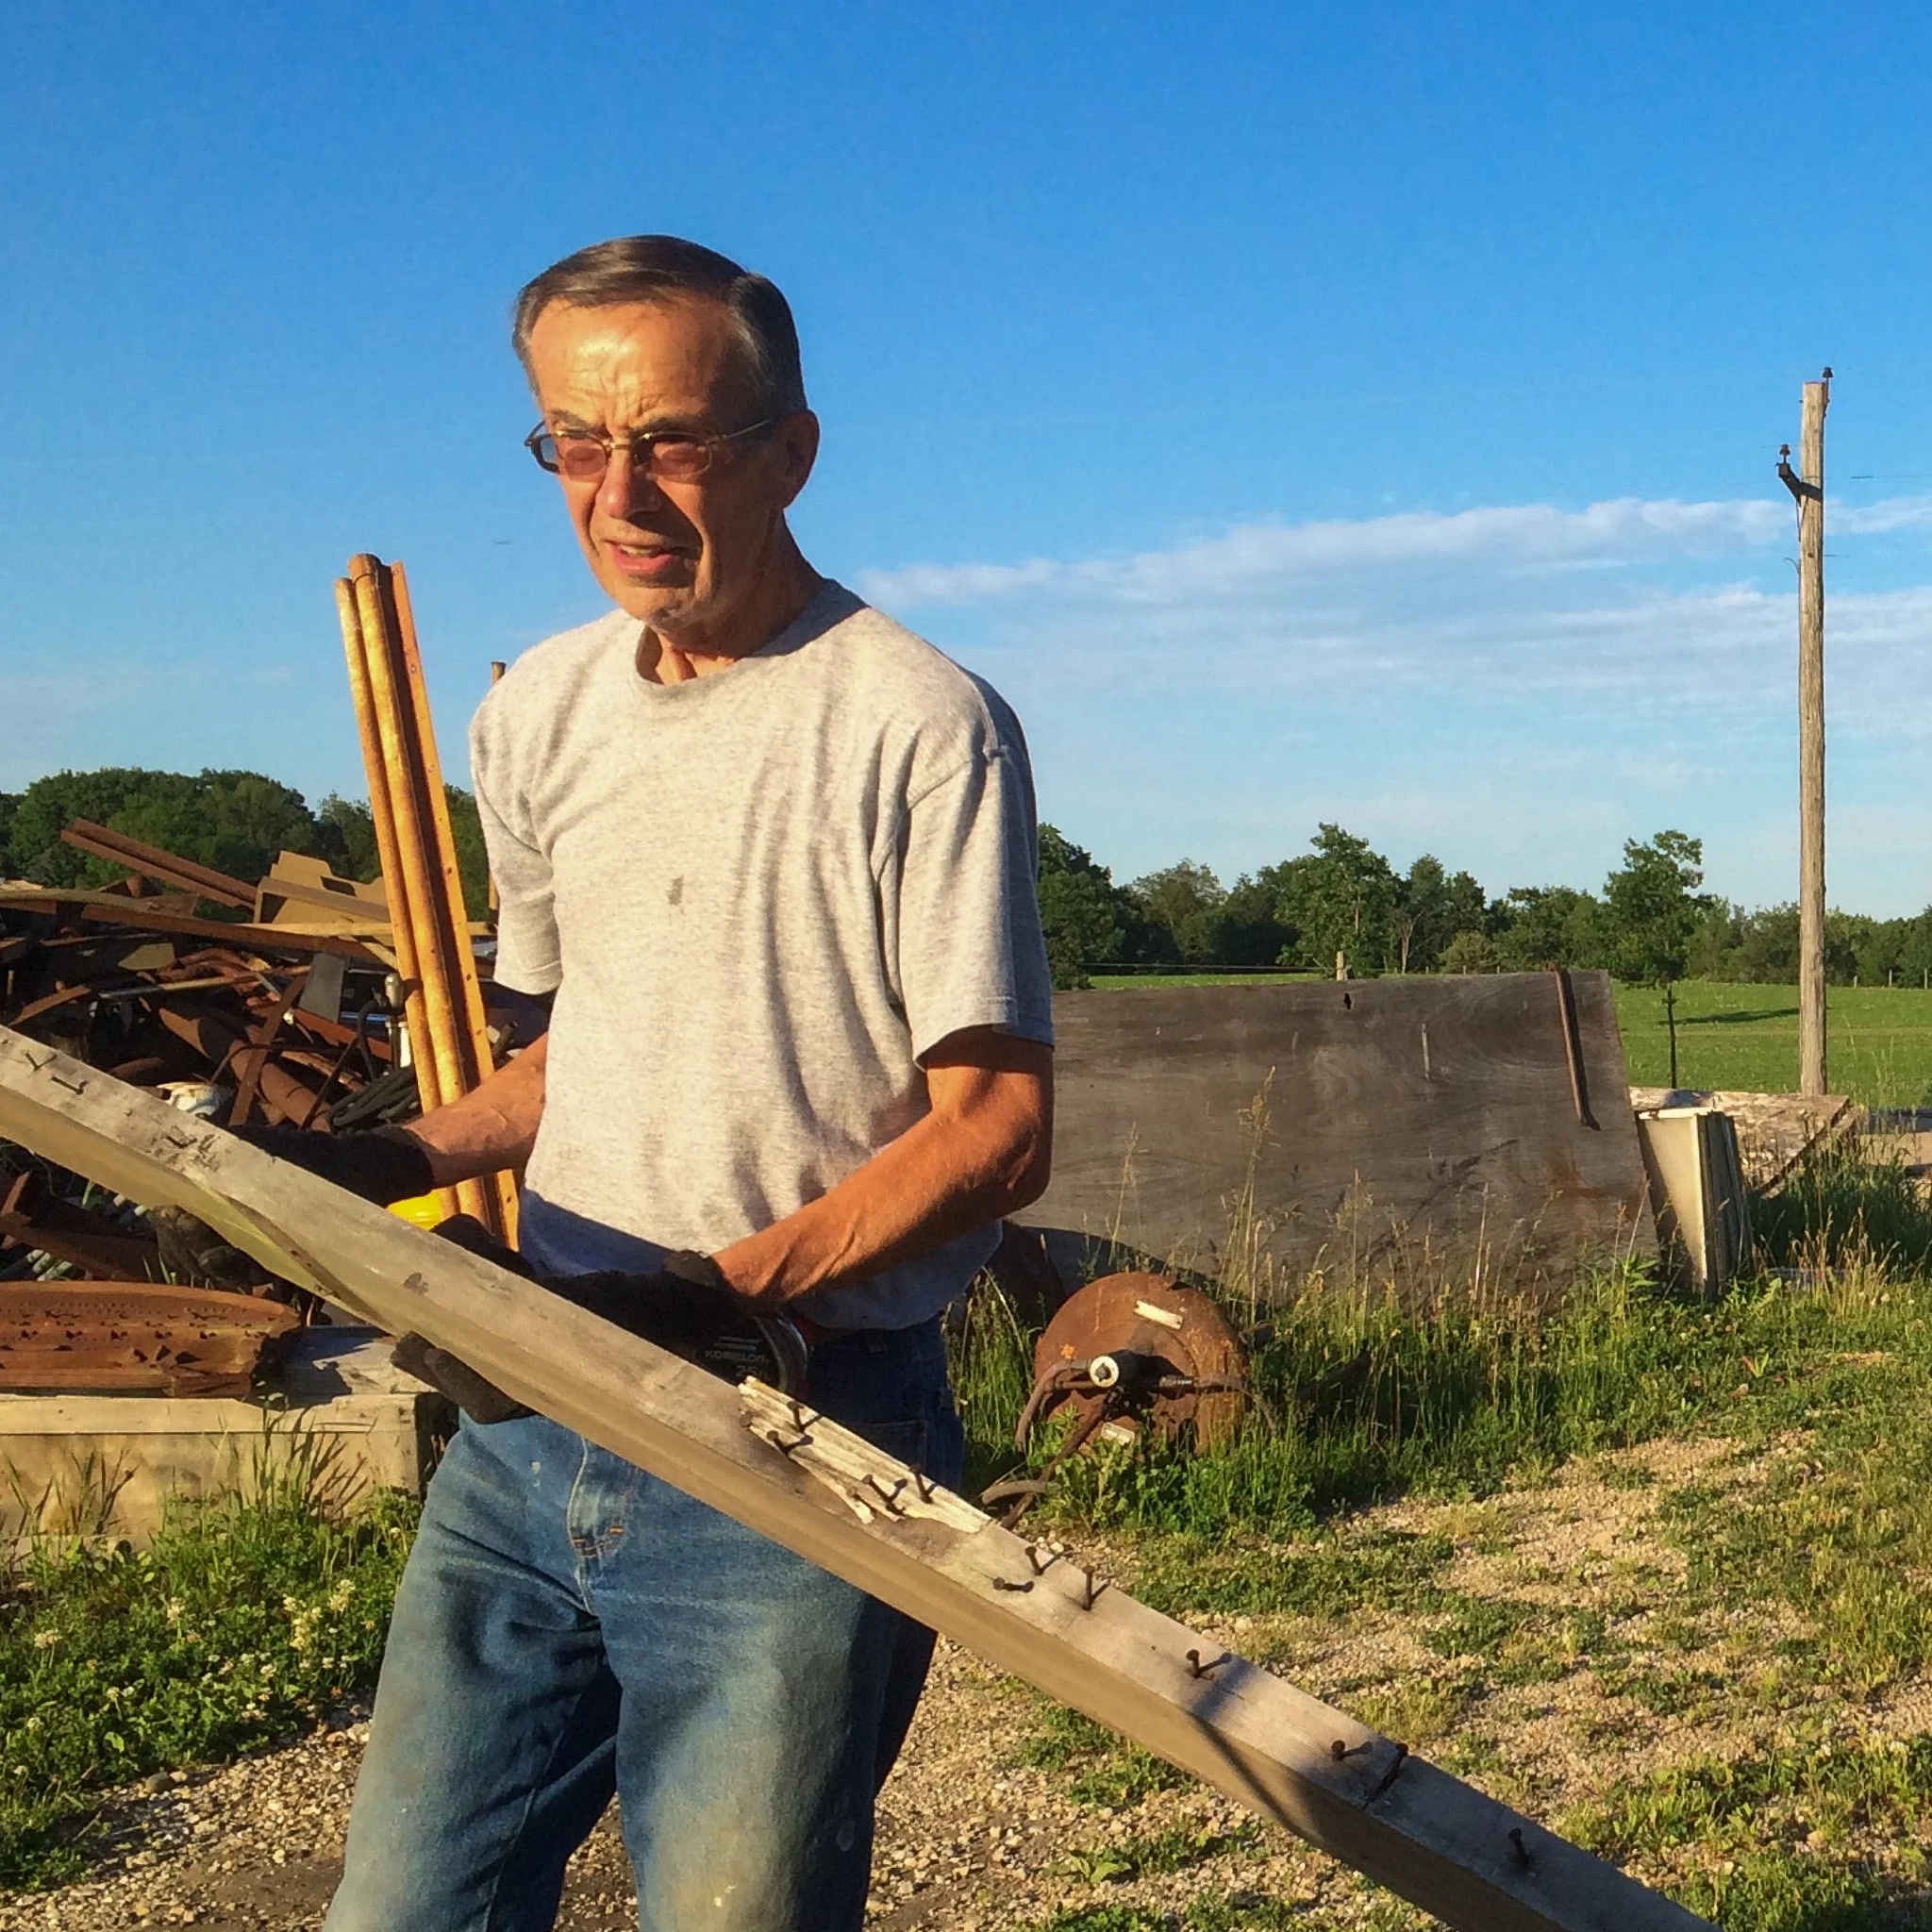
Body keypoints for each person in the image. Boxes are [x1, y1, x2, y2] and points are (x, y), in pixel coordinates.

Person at [320, 235, 1056, 1932]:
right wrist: (383, 1162)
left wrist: (715, 1301)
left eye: (675, 439)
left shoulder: (917, 723)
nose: (620, 491)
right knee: (404, 1907)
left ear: (793, 450)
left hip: (796, 1435)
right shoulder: (541, 715)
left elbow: (999, 1128)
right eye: (576, 442)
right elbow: (578, 1056)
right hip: (524, 1421)